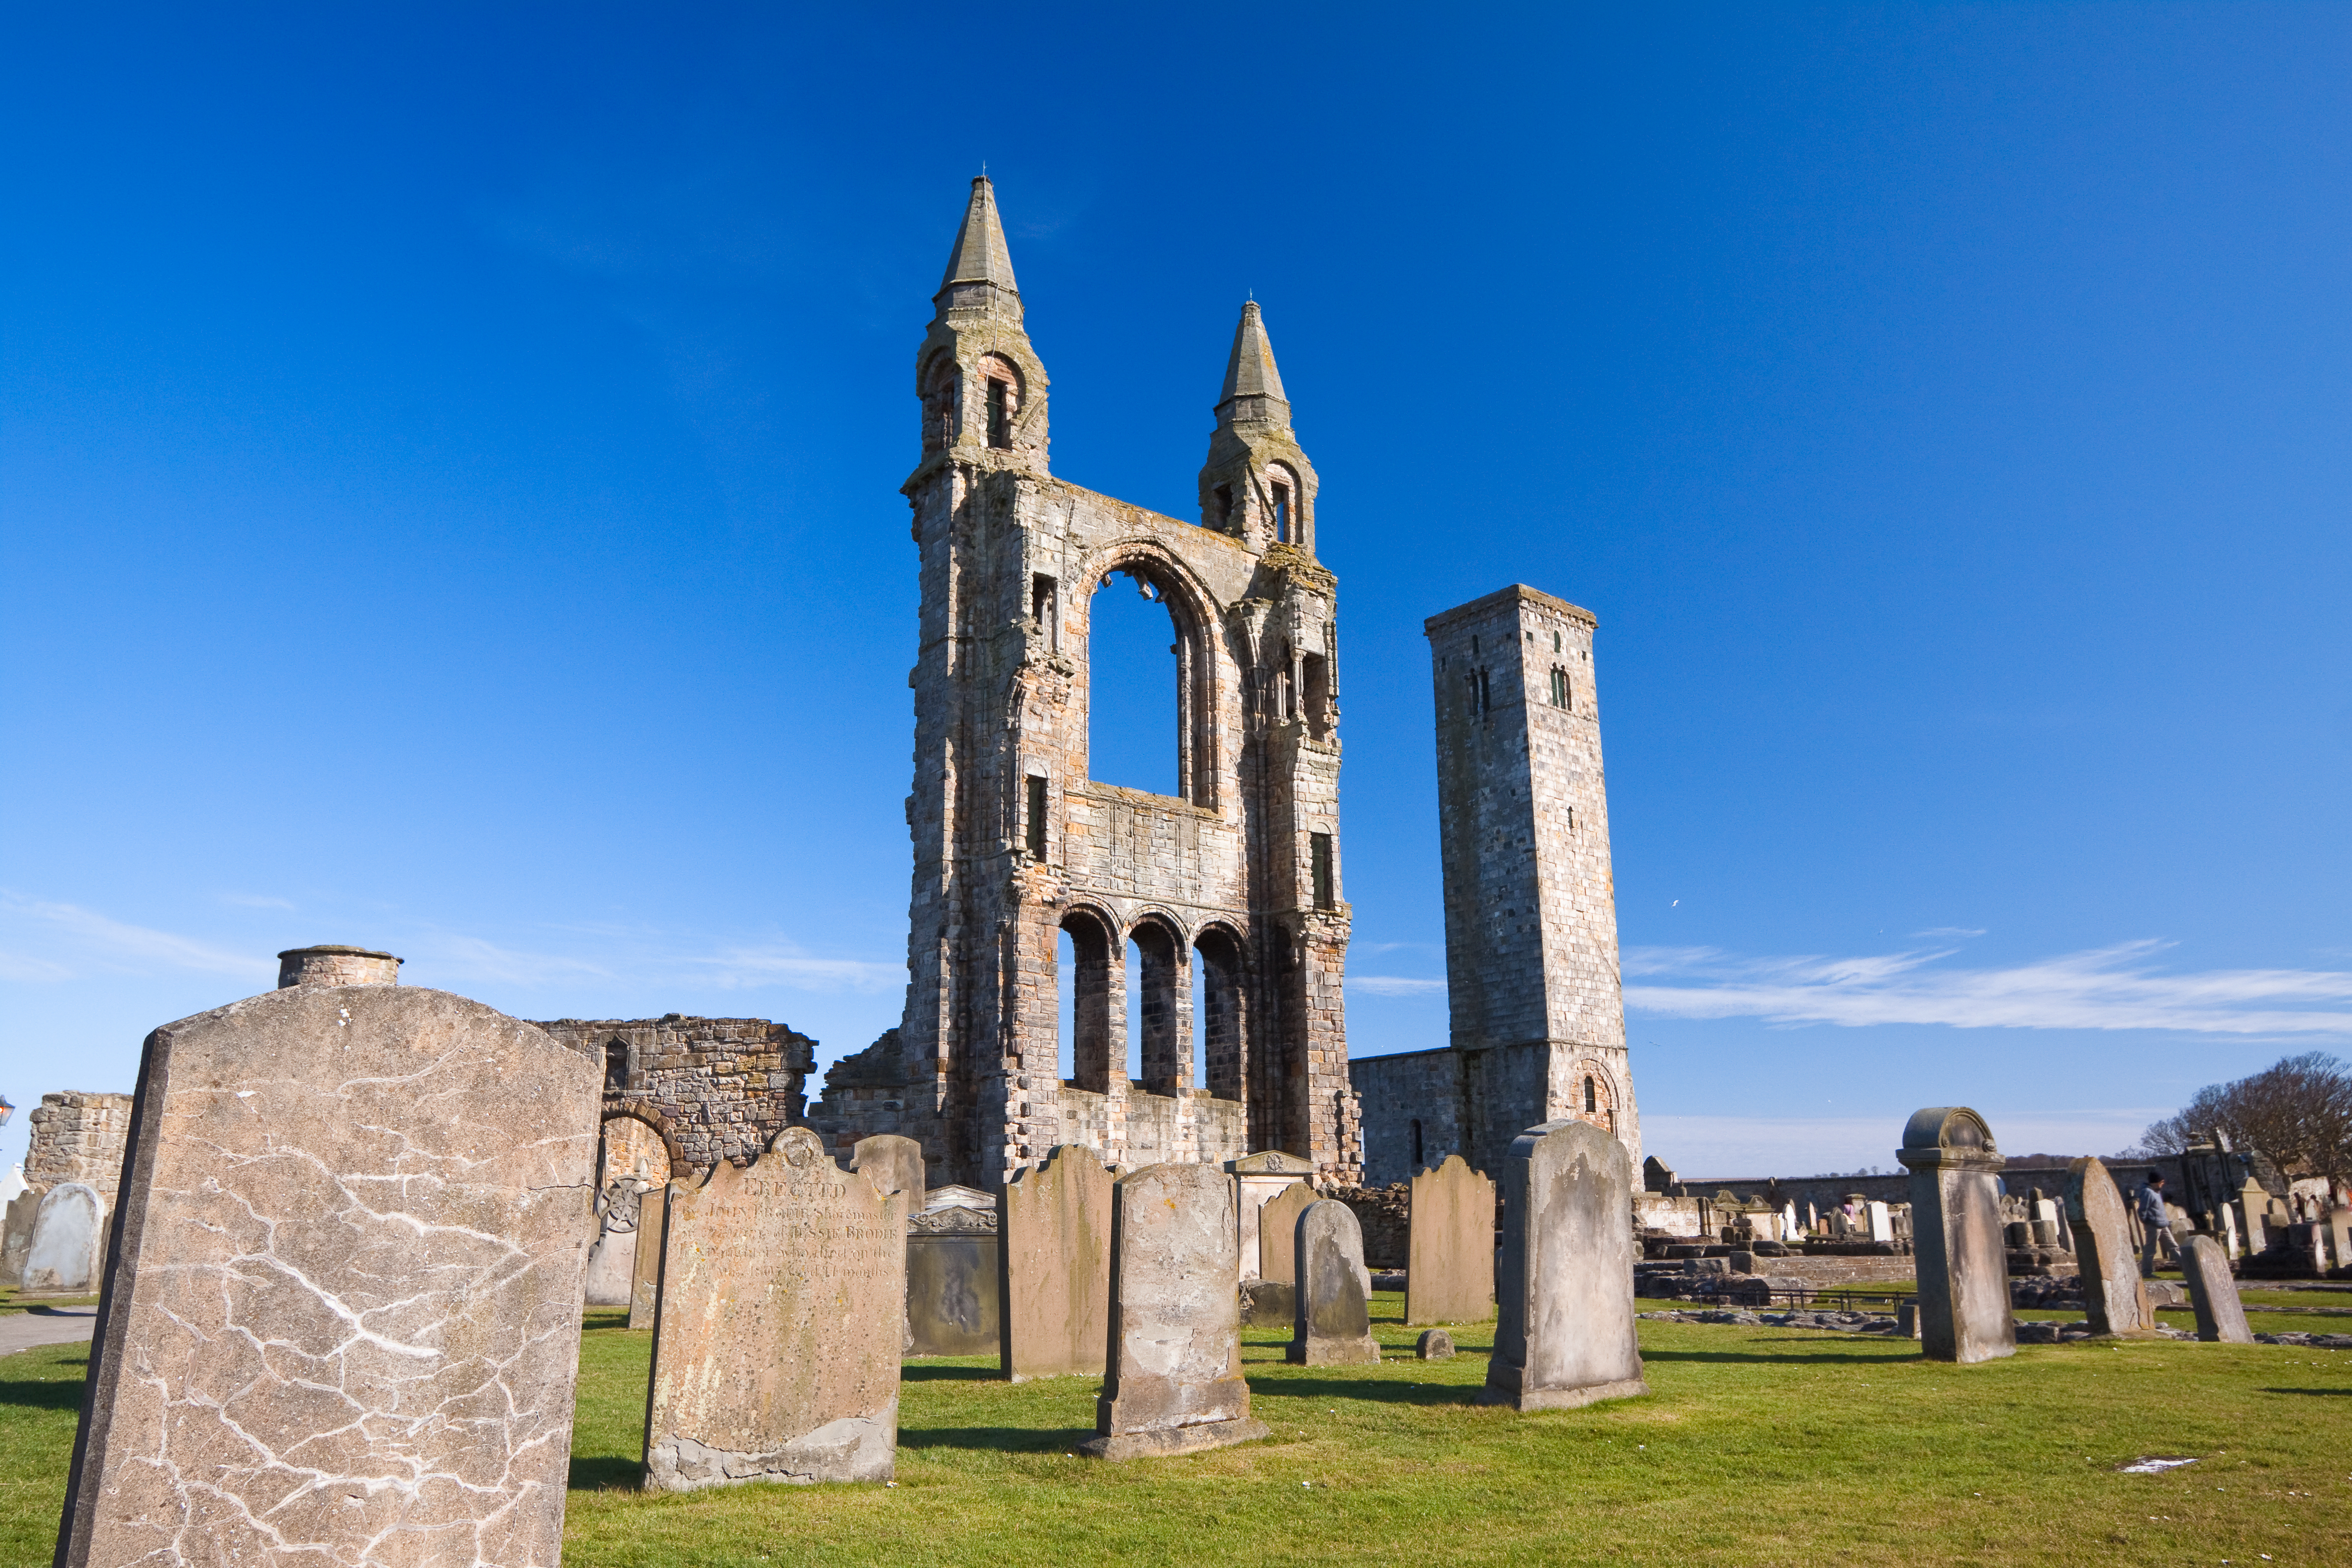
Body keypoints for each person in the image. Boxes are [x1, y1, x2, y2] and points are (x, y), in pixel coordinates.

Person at [2137, 1172, 2177, 1277]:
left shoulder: (2157, 1192)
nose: (2162, 1184)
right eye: (2161, 1182)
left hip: (2163, 1225)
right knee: (2151, 1250)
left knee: (2174, 1247)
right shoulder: (2147, 1192)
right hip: (2153, 1225)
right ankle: (2147, 1273)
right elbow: (2142, 1210)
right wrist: (2148, 1222)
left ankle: (2189, 1270)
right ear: (2155, 1182)